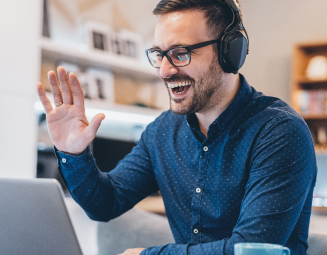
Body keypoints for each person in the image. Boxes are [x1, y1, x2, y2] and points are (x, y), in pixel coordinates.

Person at [36, 0, 317, 254]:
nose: (165, 70)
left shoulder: (280, 132)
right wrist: (72, 153)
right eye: (159, 54)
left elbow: (250, 249)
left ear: (229, 51)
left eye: (180, 53)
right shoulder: (162, 132)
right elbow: (105, 203)